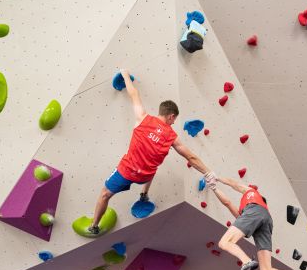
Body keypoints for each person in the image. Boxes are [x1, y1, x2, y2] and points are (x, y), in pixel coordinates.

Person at [88, 69, 214, 235]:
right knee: (153, 166)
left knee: (105, 194)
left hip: (126, 172)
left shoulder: (143, 118)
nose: (173, 123)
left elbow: (134, 94)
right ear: (171, 116)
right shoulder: (172, 137)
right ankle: (144, 194)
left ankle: (94, 226)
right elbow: (191, 157)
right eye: (174, 119)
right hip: (145, 176)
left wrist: (125, 75)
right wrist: (208, 172)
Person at [209, 177, 307, 270]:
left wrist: (216, 179)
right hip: (267, 222)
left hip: (255, 212)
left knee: (224, 242)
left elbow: (233, 186)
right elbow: (228, 202)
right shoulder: (248, 214)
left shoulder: (251, 194)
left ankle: (247, 261)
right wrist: (215, 188)